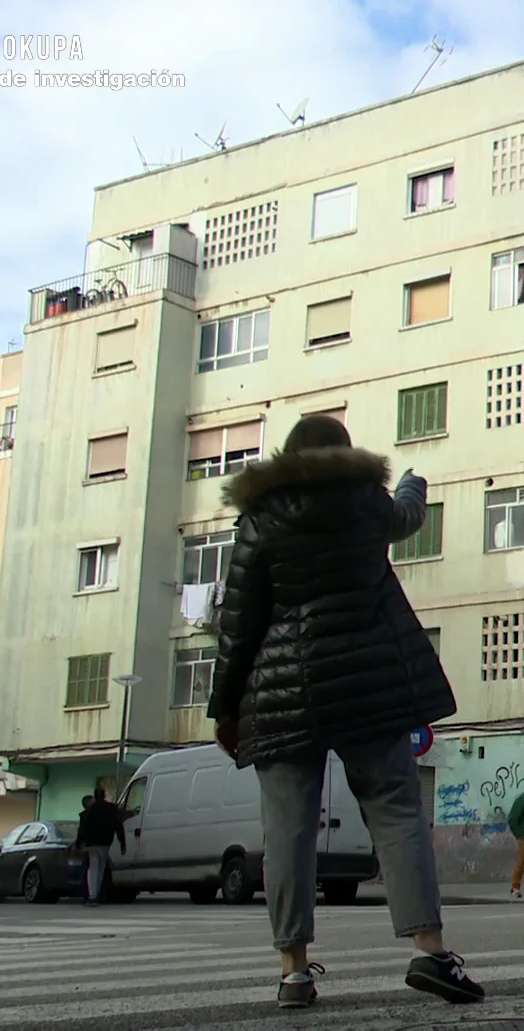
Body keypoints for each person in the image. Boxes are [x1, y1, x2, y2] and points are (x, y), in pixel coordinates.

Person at [210, 414, 484, 1010]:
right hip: (369, 687)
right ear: (346, 455)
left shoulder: (261, 519)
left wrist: (225, 709)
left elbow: (237, 622)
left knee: (287, 832)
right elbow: (407, 516)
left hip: (282, 695)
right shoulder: (368, 504)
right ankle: (431, 950)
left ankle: (293, 972)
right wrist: (413, 483)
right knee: (396, 812)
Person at [71, 786, 127, 907]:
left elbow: (82, 829)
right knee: (101, 868)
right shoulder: (111, 809)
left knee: (93, 868)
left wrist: (78, 844)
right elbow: (118, 826)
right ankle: (97, 895)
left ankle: (92, 896)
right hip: (105, 843)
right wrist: (122, 843)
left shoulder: (89, 811)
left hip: (91, 843)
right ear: (104, 795)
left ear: (95, 796)